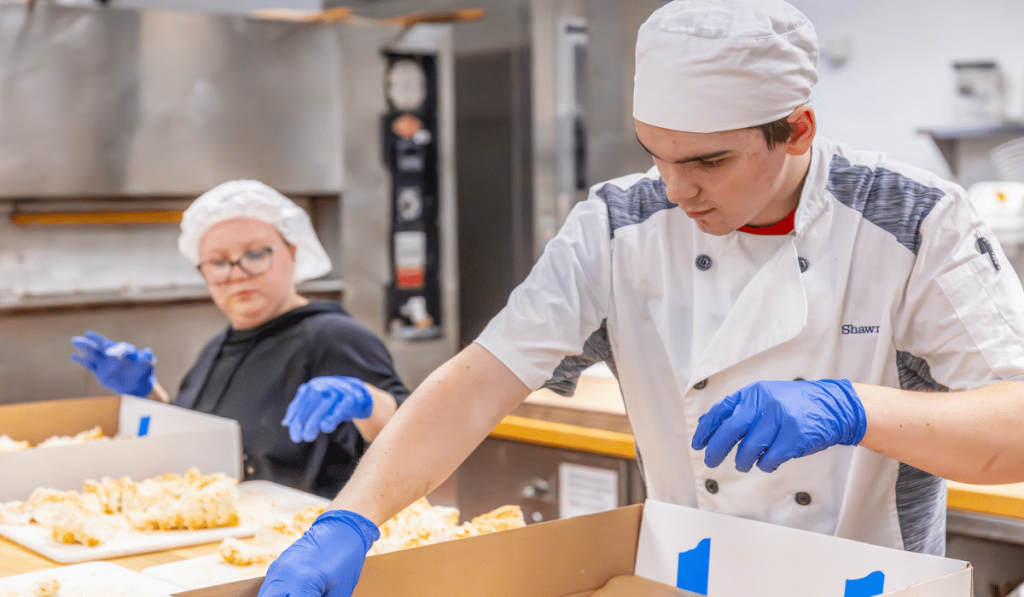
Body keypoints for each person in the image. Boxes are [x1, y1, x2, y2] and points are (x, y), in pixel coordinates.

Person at [258, 1, 1024, 595]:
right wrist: (352, 516)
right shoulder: (619, 225)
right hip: (685, 581)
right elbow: (479, 382)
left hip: (868, 582)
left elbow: (1015, 426)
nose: (676, 189)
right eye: (655, 153)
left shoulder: (912, 221)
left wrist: (855, 408)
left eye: (709, 162)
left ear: (796, 129)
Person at [70, 180, 409, 498]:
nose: (237, 274)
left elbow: (413, 442)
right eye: (218, 262)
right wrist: (147, 395)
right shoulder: (216, 348)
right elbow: (199, 450)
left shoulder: (333, 336)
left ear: (292, 251)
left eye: (256, 254)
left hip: (302, 532)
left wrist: (369, 401)